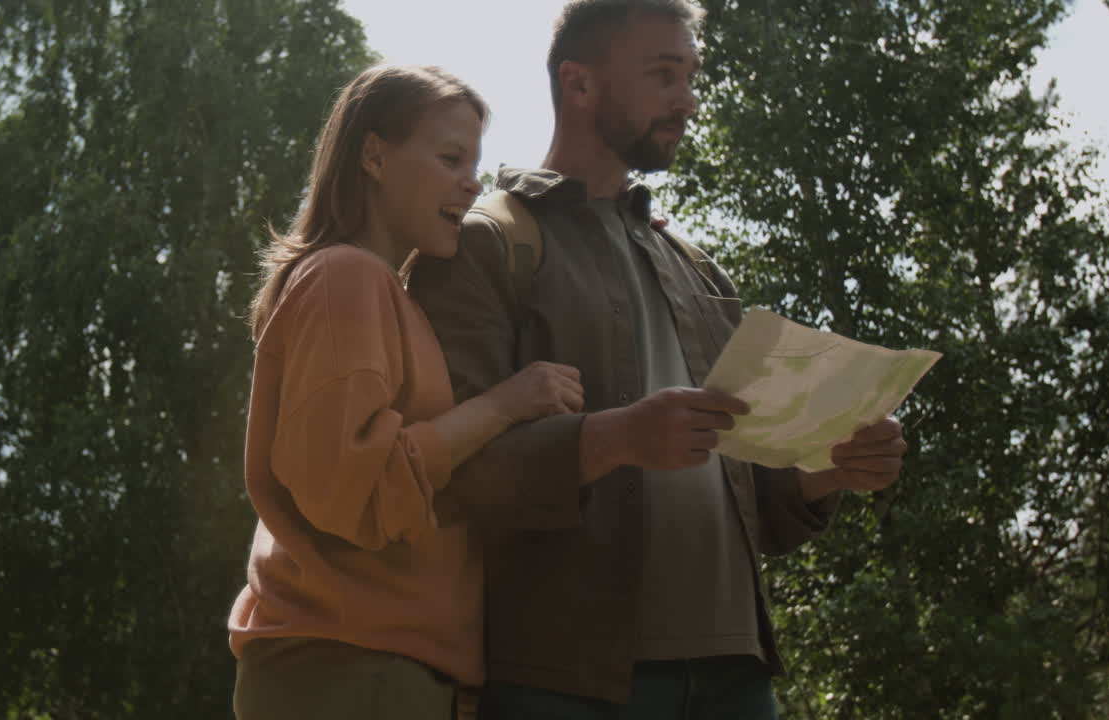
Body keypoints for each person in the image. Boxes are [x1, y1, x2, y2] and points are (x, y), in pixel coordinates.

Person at [408, 2, 908, 718]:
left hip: (738, 678)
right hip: (564, 685)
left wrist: (829, 472)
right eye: (663, 75)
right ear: (579, 85)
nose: (687, 99)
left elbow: (757, 502)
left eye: (690, 75)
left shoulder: (700, 271)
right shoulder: (487, 244)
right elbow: (451, 477)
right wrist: (613, 439)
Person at [226, 64, 584, 720]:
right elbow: (353, 487)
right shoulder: (346, 278)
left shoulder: (382, 291)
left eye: (474, 163)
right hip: (349, 666)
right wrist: (507, 403)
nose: (471, 182)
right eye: (450, 157)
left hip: (372, 666)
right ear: (373, 154)